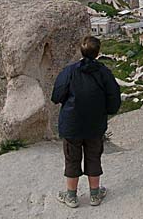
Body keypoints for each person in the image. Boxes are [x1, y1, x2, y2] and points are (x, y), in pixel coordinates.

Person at [51, 35, 121, 209]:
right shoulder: (104, 72)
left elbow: (57, 95)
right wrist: (108, 111)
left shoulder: (69, 71)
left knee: (72, 159)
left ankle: (71, 197)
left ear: (81, 51)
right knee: (93, 157)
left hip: (72, 124)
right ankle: (95, 195)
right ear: (98, 53)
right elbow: (113, 96)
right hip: (95, 124)